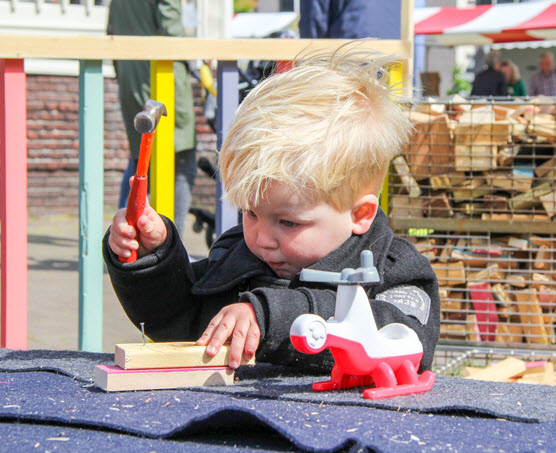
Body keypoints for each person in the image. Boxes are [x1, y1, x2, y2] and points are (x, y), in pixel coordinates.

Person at [103, 47, 441, 374]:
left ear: (360, 215)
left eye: (288, 222)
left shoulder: (396, 270)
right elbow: (177, 323)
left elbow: (404, 341)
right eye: (250, 213)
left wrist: (271, 317)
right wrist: (155, 260)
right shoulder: (237, 256)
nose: (262, 238)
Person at [107, 0, 196, 234]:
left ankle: (122, 235)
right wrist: (196, 58)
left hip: (130, 80)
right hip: (163, 79)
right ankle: (171, 243)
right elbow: (171, 31)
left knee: (140, 160)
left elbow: (112, 30)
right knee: (182, 159)